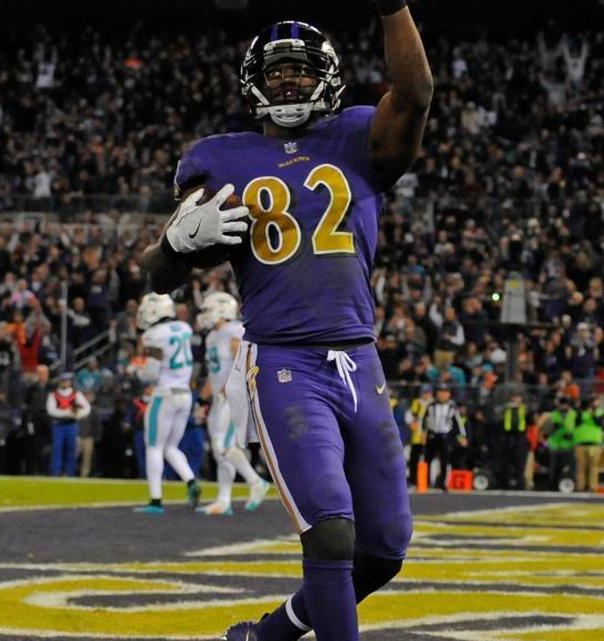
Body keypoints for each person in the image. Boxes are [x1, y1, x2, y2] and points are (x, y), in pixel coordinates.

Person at [139, 2, 432, 638]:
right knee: (329, 531)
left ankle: (267, 635)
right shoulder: (218, 158)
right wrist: (176, 246)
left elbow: (413, 93)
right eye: (277, 74)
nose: (290, 82)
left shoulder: (357, 133)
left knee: (382, 549)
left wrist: (391, 8)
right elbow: (156, 273)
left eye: (301, 71)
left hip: (361, 356)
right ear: (254, 83)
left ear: (326, 77)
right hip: (284, 360)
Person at [197, 292, 269, 516]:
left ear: (221, 310)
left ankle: (256, 481)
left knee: (223, 446)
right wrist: (202, 400)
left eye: (208, 310)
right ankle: (223, 500)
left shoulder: (233, 331)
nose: (205, 315)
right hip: (220, 398)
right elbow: (214, 373)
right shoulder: (212, 337)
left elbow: (245, 365)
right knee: (221, 451)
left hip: (232, 396)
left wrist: (234, 391)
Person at [132, 293, 202, 513]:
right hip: (185, 394)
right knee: (171, 447)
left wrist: (136, 371)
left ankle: (155, 500)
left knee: (154, 446)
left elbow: (151, 372)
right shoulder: (183, 328)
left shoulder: (154, 335)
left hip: (165, 394)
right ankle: (191, 481)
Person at [418, 384, 468, 490]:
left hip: (445, 436)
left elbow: (458, 422)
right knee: (428, 459)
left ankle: (442, 483)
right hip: (432, 435)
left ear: (449, 394)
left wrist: (462, 436)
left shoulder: (451, 406)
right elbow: (423, 420)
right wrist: (422, 433)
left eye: (445, 392)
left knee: (445, 460)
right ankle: (425, 482)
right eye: (440, 392)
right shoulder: (431, 405)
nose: (442, 395)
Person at [46, 372, 90, 477]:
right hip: (58, 424)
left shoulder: (76, 394)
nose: (66, 383)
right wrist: (67, 413)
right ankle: (55, 472)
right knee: (57, 448)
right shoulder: (54, 394)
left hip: (71, 425)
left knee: (71, 449)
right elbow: (51, 410)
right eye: (64, 381)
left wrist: (79, 414)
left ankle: (70, 472)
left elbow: (87, 408)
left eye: (68, 381)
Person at [496, 390, 530, 490]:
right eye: (514, 398)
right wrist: (505, 407)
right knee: (506, 462)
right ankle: (505, 484)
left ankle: (520, 484)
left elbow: (531, 417)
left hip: (520, 437)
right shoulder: (505, 409)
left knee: (520, 462)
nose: (516, 400)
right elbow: (497, 416)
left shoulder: (525, 408)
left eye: (518, 398)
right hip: (507, 437)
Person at [572, 396, 602, 492]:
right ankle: (580, 487)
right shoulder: (580, 413)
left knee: (593, 467)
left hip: (594, 444)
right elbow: (577, 422)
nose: (596, 404)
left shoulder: (600, 412)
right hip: (580, 443)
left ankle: (592, 487)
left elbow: (599, 423)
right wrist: (581, 410)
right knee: (580, 467)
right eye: (595, 402)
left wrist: (592, 413)